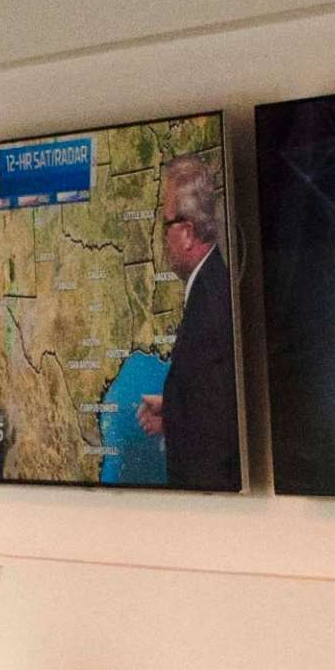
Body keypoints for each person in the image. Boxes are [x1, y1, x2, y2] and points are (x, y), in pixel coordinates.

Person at [133, 155, 239, 491]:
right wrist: (174, 408)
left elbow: (219, 434)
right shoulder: (211, 285)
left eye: (166, 225)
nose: (162, 238)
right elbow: (213, 402)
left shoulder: (210, 303)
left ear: (187, 233)